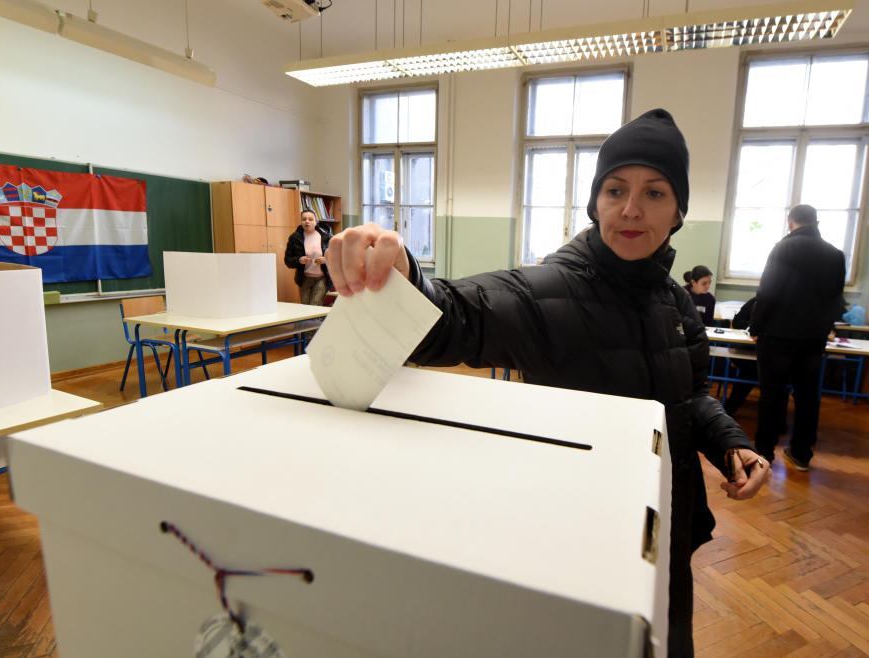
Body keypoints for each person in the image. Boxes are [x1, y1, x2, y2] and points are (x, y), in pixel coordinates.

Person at [324, 108, 770, 657]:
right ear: (595, 201)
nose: (631, 209)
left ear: (678, 209)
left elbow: (691, 397)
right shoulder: (546, 289)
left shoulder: (677, 302)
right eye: (615, 189)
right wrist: (403, 274)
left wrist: (730, 442)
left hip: (666, 523)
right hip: (575, 529)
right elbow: (456, 317)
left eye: (655, 193)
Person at [750, 204, 846, 472]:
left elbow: (768, 292)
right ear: (816, 222)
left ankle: (765, 452)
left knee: (772, 394)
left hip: (778, 335)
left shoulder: (784, 248)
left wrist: (755, 327)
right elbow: (836, 300)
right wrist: (824, 328)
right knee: (808, 395)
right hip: (813, 338)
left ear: (791, 222)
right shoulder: (835, 255)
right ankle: (802, 453)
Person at [284, 209, 332, 306]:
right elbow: (287, 260)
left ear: (316, 222)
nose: (307, 221)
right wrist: (298, 260)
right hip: (304, 278)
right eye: (304, 219)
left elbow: (338, 258)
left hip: (322, 278)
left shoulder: (327, 237)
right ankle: (311, 321)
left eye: (310, 219)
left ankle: (317, 321)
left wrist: (327, 260)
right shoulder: (295, 238)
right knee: (305, 308)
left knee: (315, 306)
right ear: (301, 222)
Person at [722, 296, 757, 417]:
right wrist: (752, 326)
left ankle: (728, 410)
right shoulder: (756, 301)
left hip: (771, 355)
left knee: (751, 372)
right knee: (751, 370)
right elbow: (738, 322)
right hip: (748, 350)